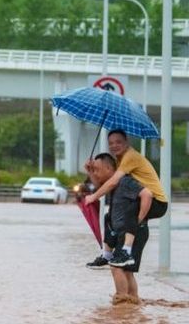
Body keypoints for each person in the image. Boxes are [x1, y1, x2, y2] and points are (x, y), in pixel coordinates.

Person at [84, 129, 168, 268]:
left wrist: (93, 197)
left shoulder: (130, 156)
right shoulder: (120, 159)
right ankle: (107, 254)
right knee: (108, 217)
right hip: (143, 199)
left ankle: (126, 252)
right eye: (110, 143)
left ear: (126, 142)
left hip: (157, 202)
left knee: (130, 211)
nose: (114, 146)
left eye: (118, 142)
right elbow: (104, 184)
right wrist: (91, 172)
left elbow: (112, 182)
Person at [86, 153, 150, 304]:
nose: (95, 173)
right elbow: (98, 186)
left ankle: (121, 302)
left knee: (116, 266)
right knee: (127, 271)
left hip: (134, 231)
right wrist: (89, 171)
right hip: (122, 232)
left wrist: (138, 221)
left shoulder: (125, 181)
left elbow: (147, 194)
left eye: (97, 169)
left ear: (109, 168)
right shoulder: (112, 184)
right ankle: (132, 306)